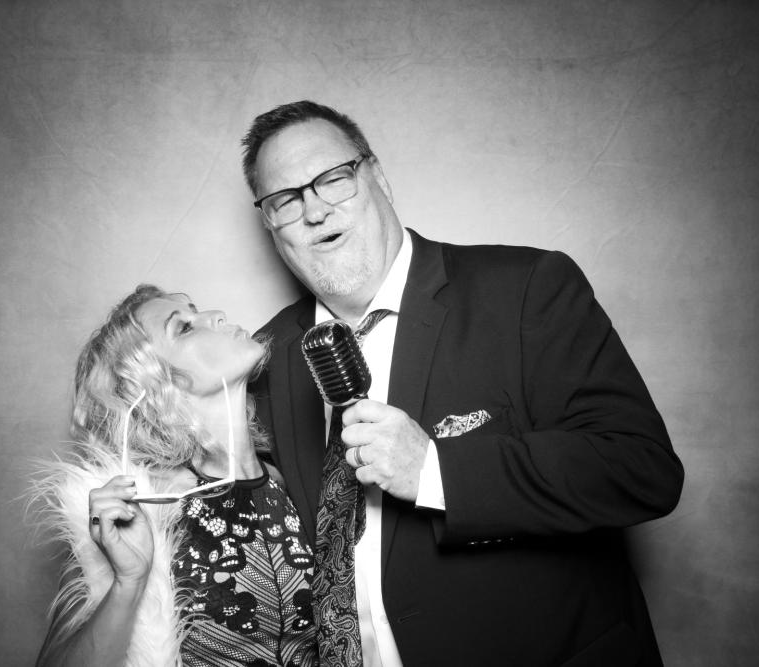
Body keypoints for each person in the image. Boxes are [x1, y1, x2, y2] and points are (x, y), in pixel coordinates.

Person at [241, 100, 684, 666]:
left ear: (377, 177)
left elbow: (641, 470)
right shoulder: (265, 356)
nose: (314, 210)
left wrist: (435, 472)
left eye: (332, 179)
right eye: (285, 200)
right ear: (270, 225)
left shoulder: (525, 289)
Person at [33, 285, 318, 667]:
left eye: (195, 312)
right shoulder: (146, 503)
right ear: (156, 381)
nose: (216, 315)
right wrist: (128, 583)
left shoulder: (288, 478)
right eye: (183, 327)